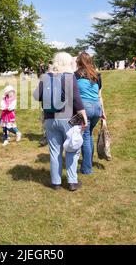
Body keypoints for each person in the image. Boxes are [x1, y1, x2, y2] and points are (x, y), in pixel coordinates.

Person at [34, 52, 88, 192]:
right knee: (72, 149)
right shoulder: (69, 77)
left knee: (54, 151)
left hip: (50, 119)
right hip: (68, 119)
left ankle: (56, 183)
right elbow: (76, 99)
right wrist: (84, 116)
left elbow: (37, 96)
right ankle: (72, 182)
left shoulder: (47, 77)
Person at [75, 52, 107, 175]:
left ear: (79, 61)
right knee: (88, 135)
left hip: (85, 109)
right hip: (97, 108)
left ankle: (86, 168)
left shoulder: (76, 75)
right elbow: (99, 95)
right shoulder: (97, 75)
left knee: (86, 136)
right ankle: (88, 163)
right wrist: (103, 112)